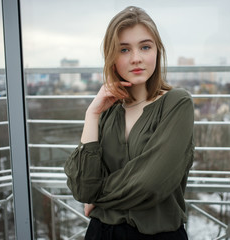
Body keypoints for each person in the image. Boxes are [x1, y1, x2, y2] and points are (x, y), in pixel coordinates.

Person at [64, 6, 194, 240]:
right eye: (124, 49)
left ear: (157, 51)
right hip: (101, 234)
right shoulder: (107, 110)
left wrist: (97, 197)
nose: (136, 58)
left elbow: (150, 184)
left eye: (145, 47)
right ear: (112, 58)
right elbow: (83, 186)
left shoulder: (177, 103)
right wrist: (92, 114)